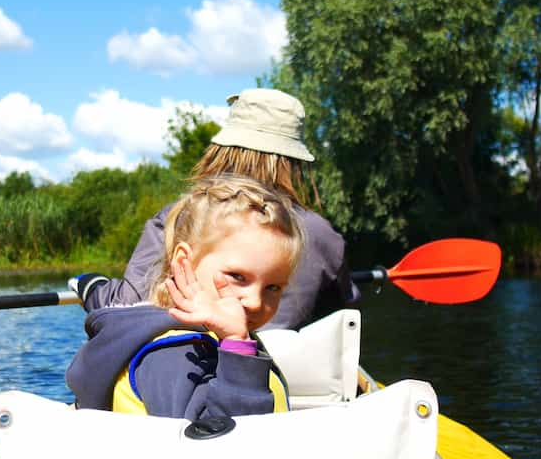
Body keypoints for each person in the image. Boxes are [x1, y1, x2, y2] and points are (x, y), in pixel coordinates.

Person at [75, 88, 357, 330]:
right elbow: (344, 314)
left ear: (222, 149)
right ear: (295, 161)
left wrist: (92, 288)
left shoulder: (182, 217)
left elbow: (126, 306)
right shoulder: (323, 233)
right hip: (290, 373)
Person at [66, 175, 304, 420]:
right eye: (237, 276)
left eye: (273, 287)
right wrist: (237, 344)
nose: (255, 301)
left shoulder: (216, 335)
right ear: (183, 262)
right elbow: (224, 446)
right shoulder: (174, 354)